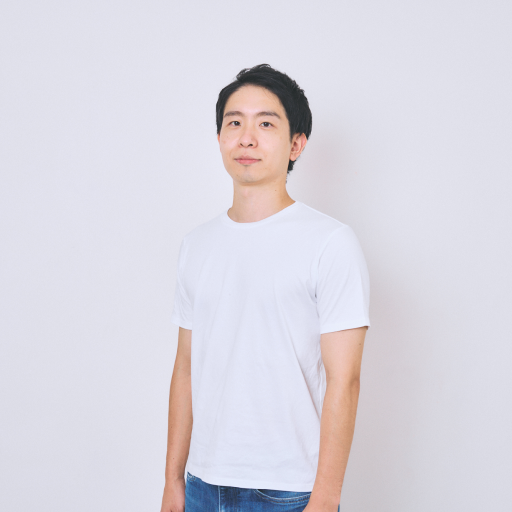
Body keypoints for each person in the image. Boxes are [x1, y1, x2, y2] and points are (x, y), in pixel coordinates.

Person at [160, 64, 370, 512]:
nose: (247, 138)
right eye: (234, 122)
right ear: (220, 137)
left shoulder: (330, 243)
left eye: (266, 124)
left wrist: (325, 498)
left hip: (289, 490)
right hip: (203, 484)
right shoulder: (196, 245)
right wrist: (173, 481)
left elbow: (345, 380)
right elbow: (185, 368)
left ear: (296, 144)